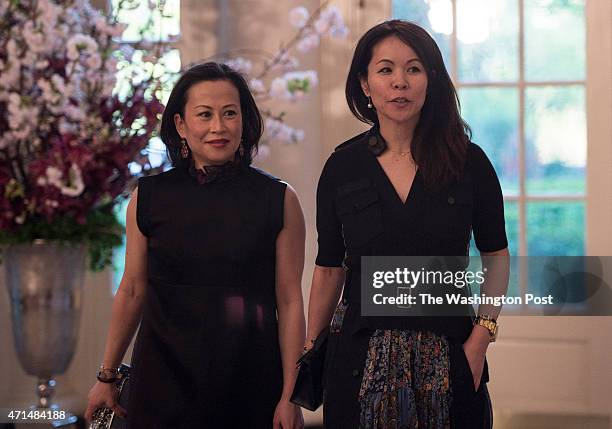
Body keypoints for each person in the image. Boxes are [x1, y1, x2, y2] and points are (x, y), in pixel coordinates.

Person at [305, 20, 510, 428]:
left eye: (413, 69)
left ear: (430, 80)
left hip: (451, 350)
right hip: (358, 358)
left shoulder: (470, 162)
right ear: (365, 83)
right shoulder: (342, 167)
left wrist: (481, 335)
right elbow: (329, 268)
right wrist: (311, 353)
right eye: (386, 70)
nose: (400, 82)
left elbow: (496, 256)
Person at [85, 62, 306, 429]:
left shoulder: (279, 199)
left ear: (244, 121)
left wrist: (290, 395)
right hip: (161, 380)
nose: (218, 127)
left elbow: (290, 301)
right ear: (181, 126)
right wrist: (106, 377)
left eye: (229, 113)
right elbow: (133, 290)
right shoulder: (149, 197)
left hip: (249, 381)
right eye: (204, 114)